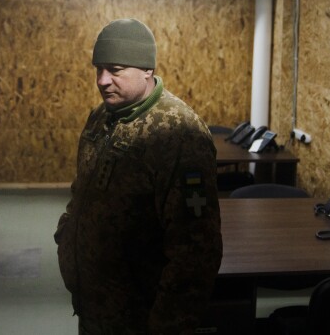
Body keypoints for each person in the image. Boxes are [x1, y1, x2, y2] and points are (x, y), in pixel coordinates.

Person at [55, 18, 223, 335]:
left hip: (141, 318)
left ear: (146, 70)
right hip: (95, 308)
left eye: (115, 70)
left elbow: (195, 249)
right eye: (98, 69)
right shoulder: (100, 117)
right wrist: (67, 236)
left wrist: (167, 326)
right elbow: (82, 192)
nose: (102, 80)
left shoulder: (178, 133)